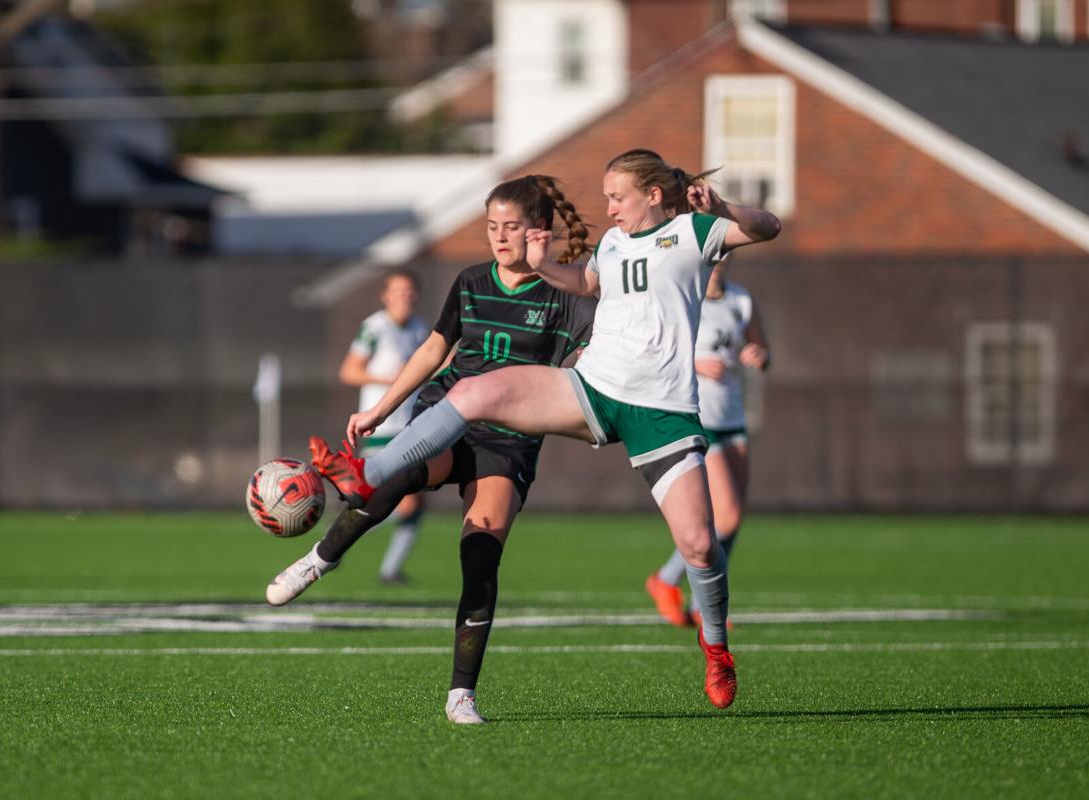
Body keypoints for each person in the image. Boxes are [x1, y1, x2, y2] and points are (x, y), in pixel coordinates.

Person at [310, 150, 782, 711]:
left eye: (617, 197)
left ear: (653, 195)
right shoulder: (611, 243)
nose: (607, 209)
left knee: (701, 546)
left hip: (661, 410)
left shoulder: (694, 232)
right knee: (473, 392)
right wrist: (541, 265)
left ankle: (717, 647)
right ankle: (369, 475)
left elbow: (768, 227)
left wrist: (725, 206)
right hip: (592, 388)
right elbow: (584, 282)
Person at [266, 174, 596, 725]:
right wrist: (380, 411)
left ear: (539, 232)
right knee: (399, 477)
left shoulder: (565, 295)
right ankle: (319, 560)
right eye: (492, 226)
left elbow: (586, 370)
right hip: (449, 417)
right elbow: (434, 349)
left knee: (480, 554)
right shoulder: (470, 281)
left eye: (511, 227)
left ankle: (460, 695)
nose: (499, 237)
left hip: (509, 442)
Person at [644, 253, 770, 627]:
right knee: (725, 517)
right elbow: (657, 351)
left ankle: (702, 606)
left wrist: (758, 356)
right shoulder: (685, 298)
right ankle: (666, 579)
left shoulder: (740, 300)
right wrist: (698, 364)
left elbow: (763, 351)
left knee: (732, 518)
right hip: (699, 416)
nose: (717, 262)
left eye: (723, 255)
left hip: (733, 416)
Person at [338, 269, 429, 584]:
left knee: (414, 501)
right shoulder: (375, 328)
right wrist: (393, 381)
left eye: (409, 290)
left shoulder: (419, 329)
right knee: (400, 500)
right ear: (385, 296)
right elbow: (349, 371)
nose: (404, 296)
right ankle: (338, 537)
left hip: (410, 425)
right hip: (380, 425)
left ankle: (389, 569)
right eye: (397, 290)